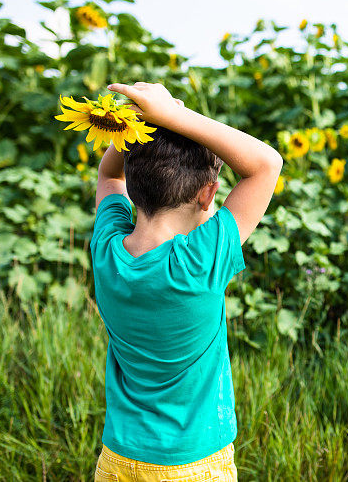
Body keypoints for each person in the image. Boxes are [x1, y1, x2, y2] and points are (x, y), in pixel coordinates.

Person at [90, 82, 282, 481]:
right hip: (193, 463)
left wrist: (140, 126)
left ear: (135, 183)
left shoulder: (107, 248)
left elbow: (109, 172)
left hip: (118, 458)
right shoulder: (198, 261)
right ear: (208, 193)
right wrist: (173, 117)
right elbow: (266, 164)